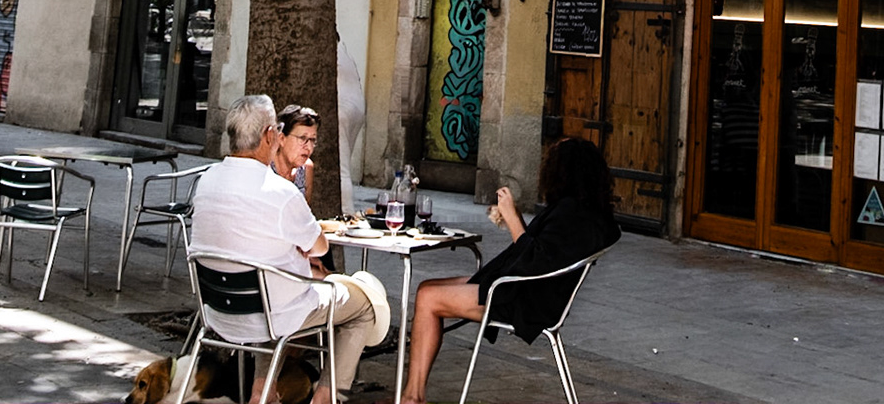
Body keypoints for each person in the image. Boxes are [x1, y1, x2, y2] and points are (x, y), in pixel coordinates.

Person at [190, 95, 387, 404]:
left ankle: (262, 393)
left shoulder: (206, 180)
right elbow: (319, 246)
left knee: (275, 294)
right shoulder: (280, 191)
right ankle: (324, 398)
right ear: (271, 135)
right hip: (270, 313)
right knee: (365, 306)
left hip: (216, 312)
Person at [399, 137, 621, 404]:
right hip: (527, 290)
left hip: (524, 300)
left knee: (428, 298)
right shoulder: (584, 212)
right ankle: (412, 395)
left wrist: (514, 219)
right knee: (427, 288)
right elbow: (545, 253)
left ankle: (412, 398)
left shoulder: (572, 212)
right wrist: (513, 219)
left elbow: (537, 260)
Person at [273, 104, 319, 200]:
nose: (309, 147)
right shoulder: (265, 168)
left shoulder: (306, 168)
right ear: (281, 139)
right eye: (302, 138)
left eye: (312, 140)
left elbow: (304, 212)